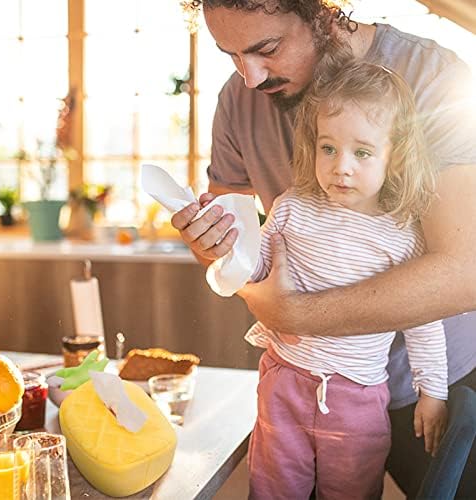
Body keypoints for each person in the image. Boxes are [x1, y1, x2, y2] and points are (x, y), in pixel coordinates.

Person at [172, 1, 476, 496]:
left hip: (439, 387)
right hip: (301, 382)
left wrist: (297, 315)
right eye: (230, 55)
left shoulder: (433, 76)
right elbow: (239, 250)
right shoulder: (237, 100)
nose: (249, 77)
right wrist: (214, 245)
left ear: (321, 11)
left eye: (266, 48)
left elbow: (467, 272)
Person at [243, 59, 448, 499]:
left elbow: (424, 316)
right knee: (273, 490)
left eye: (362, 152)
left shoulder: (401, 235)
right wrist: (227, 248)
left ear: (394, 157)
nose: (342, 167)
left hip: (358, 399)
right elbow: (255, 267)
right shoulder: (292, 207)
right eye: (328, 148)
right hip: (283, 380)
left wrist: (432, 391)